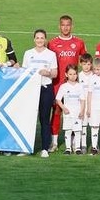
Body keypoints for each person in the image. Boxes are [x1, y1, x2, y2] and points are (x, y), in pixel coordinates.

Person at [47, 15, 87, 151]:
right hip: (57, 83)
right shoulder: (52, 43)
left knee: (75, 111)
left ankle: (75, 142)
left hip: (74, 85)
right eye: (63, 25)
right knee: (57, 111)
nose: (65, 27)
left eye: (68, 25)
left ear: (72, 26)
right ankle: (54, 142)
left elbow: (84, 62)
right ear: (59, 26)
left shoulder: (79, 42)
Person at [22, 29, 57, 158]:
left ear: (45, 39)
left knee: (44, 119)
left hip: (45, 88)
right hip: (31, 90)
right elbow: (24, 72)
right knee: (28, 119)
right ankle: (26, 147)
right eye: (37, 38)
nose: (40, 40)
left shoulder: (51, 54)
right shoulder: (28, 53)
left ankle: (44, 148)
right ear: (34, 39)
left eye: (42, 38)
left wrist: (47, 73)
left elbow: (55, 73)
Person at [55, 64, 86, 154]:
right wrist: (64, 108)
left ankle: (77, 148)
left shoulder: (79, 86)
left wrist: (82, 111)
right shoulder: (64, 86)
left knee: (77, 130)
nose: (73, 76)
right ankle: (68, 148)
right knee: (68, 130)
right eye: (70, 74)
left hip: (77, 113)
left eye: (75, 74)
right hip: (68, 113)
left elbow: (83, 100)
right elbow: (58, 99)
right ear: (66, 74)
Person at [77, 53, 94, 152]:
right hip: (82, 105)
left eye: (88, 64)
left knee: (93, 125)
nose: (86, 66)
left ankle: (93, 144)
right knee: (83, 125)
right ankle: (83, 145)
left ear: (91, 64)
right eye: (84, 64)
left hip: (92, 104)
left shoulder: (94, 75)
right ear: (80, 64)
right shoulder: (78, 76)